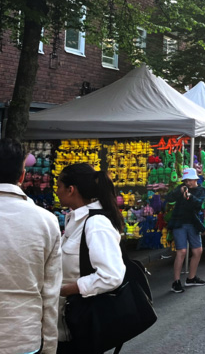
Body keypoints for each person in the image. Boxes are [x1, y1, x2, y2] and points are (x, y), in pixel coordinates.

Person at [56, 163, 126, 352]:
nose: (56, 191)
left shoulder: (96, 224)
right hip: (68, 324)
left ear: (71, 190)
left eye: (59, 186)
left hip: (83, 322)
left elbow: (111, 276)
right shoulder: (75, 220)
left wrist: (66, 289)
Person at [0, 139, 62, 354]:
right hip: (23, 337)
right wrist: (50, 345)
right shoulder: (46, 221)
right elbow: (51, 292)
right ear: (22, 175)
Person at [166, 168, 205, 292]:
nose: (188, 183)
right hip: (180, 223)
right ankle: (176, 281)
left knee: (198, 251)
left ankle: (191, 278)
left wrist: (190, 197)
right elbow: (169, 198)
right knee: (181, 252)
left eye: (189, 180)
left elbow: (199, 204)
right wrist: (180, 191)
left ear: (195, 179)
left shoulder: (201, 190)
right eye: (186, 180)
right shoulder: (181, 188)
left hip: (193, 224)